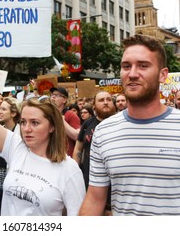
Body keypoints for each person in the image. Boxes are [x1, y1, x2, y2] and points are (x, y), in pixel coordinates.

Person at [0, 45, 85, 216]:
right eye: (23, 122)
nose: (26, 129)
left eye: (35, 123)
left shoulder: (69, 169)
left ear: (52, 126)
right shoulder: (16, 148)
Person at [79, 34, 180, 216]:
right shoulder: (103, 132)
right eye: (126, 66)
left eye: (143, 65)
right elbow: (94, 198)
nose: (132, 74)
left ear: (163, 75)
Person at [73, 91, 116, 189]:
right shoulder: (87, 124)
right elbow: (78, 148)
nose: (105, 102)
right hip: (91, 179)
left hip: (115, 181)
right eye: (101, 100)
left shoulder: (120, 123)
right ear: (94, 106)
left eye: (109, 100)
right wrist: (75, 170)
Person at [50, 86, 81, 157]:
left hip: (66, 157)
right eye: (52, 95)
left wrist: (61, 120)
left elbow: (77, 136)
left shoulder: (70, 114)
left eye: (57, 95)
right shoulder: (48, 114)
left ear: (64, 100)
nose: (53, 97)